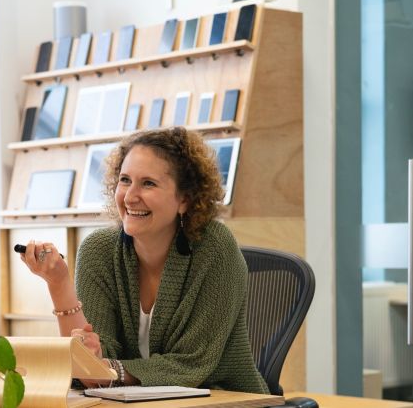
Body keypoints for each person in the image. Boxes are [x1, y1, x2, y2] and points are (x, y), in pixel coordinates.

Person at [20, 127, 269, 393]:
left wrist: (112, 371)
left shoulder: (215, 248)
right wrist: (58, 284)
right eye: (125, 180)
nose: (129, 196)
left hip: (223, 398)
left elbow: (191, 365)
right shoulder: (98, 251)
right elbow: (91, 368)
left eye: (148, 183)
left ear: (184, 199)